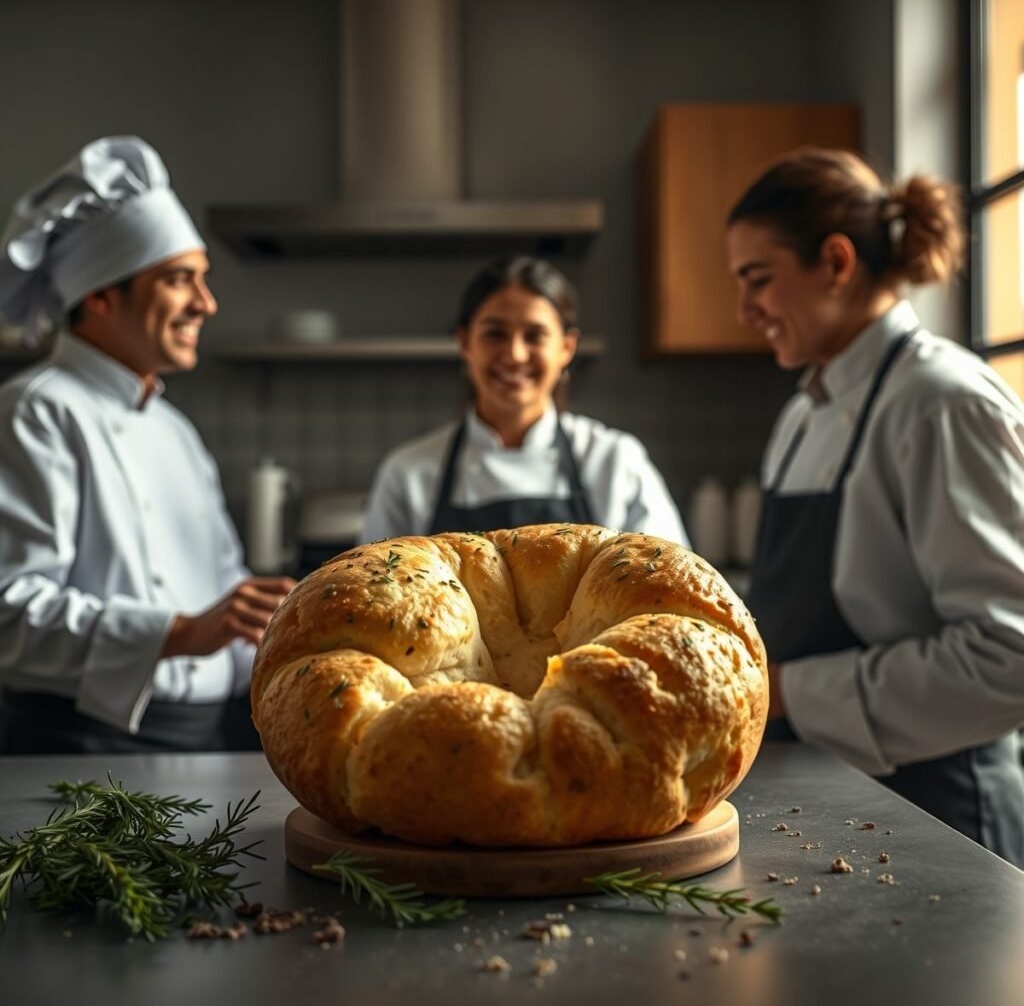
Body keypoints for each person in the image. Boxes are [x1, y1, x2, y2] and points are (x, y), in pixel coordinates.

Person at [726, 146, 1024, 865]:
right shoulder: (802, 414)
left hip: (946, 819)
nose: (745, 310)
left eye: (758, 280)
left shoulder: (943, 403)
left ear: (836, 261)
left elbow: (1009, 657)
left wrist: (790, 691)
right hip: (831, 805)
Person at [0, 135, 295, 753]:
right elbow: (10, 612)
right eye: (180, 281)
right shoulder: (34, 410)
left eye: (203, 280)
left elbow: (224, 586)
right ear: (101, 296)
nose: (206, 303)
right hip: (79, 744)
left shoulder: (174, 429)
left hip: (205, 737)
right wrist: (179, 632)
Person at [360, 256, 687, 543]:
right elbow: (373, 588)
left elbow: (667, 583)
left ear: (566, 348)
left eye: (535, 335)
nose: (515, 354)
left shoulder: (615, 462)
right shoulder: (408, 475)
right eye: (495, 334)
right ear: (465, 343)